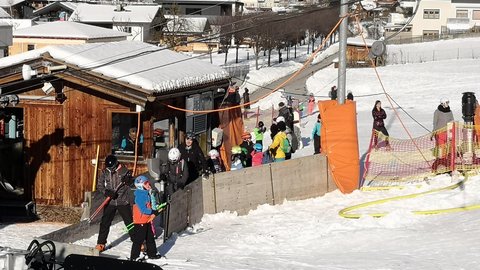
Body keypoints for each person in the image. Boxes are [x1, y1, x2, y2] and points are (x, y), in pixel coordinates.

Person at [95, 155, 134, 252]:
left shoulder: (124, 171)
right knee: (105, 222)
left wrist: (129, 181)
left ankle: (138, 241)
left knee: (129, 222)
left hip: (123, 201)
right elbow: (99, 185)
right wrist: (106, 192)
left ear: (116, 164)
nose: (110, 170)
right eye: (109, 168)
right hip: (110, 201)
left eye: (112, 168)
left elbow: (133, 183)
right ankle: (101, 243)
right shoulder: (105, 172)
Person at [130, 175, 162, 261]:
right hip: (140, 221)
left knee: (150, 237)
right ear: (141, 186)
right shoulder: (140, 196)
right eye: (146, 183)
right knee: (139, 240)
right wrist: (152, 212)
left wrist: (156, 208)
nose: (149, 185)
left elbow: (149, 205)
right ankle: (134, 257)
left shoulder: (146, 193)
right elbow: (143, 209)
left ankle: (152, 253)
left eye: (148, 182)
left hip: (146, 220)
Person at [431, 98, 454, 169]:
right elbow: (435, 123)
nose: (447, 104)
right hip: (439, 132)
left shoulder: (449, 111)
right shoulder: (437, 112)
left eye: (448, 102)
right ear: (442, 103)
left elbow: (452, 120)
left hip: (447, 132)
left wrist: (451, 130)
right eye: (446, 102)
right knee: (441, 146)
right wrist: (434, 131)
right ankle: (441, 160)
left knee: (448, 146)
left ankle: (446, 159)